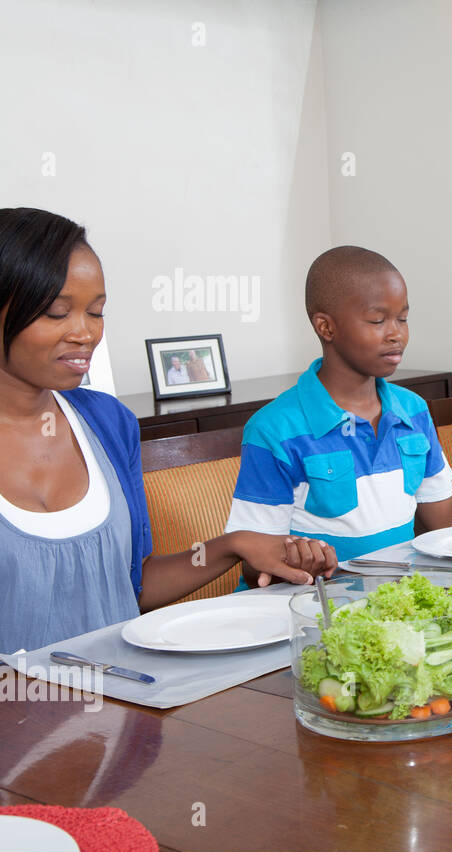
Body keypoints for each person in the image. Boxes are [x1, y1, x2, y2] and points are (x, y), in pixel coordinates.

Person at [0, 207, 336, 653]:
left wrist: (234, 544)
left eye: (96, 312)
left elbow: (131, 587)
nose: (85, 334)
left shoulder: (106, 422)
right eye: (58, 313)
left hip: (119, 704)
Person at [225, 246, 452, 573]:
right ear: (326, 327)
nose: (397, 334)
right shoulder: (275, 429)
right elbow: (254, 563)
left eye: (403, 318)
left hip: (400, 601)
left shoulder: (414, 410)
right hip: (314, 604)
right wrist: (297, 557)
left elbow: (443, 525)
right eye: (378, 320)